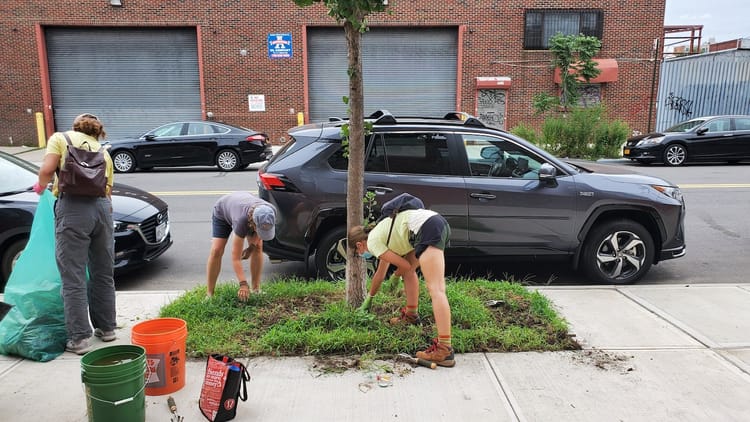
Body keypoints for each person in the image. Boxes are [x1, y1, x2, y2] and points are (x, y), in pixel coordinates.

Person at [34, 113, 117, 355]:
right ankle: (107, 328)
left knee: (73, 275)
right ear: (97, 132)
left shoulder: (60, 138)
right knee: (103, 272)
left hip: (73, 209)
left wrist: (40, 187)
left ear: (75, 127)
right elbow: (108, 192)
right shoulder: (104, 152)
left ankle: (80, 339)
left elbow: (47, 169)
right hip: (101, 210)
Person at [348, 207, 455, 367]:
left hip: (426, 228)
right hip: (434, 222)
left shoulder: (373, 243)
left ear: (359, 245)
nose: (362, 255)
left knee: (436, 289)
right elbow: (380, 274)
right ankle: (411, 315)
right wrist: (369, 299)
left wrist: (395, 276)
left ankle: (444, 350)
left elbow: (404, 265)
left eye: (358, 253)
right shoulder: (380, 234)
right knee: (411, 273)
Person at [206, 192, 276, 301]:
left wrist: (251, 247)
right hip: (223, 210)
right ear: (253, 223)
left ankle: (256, 289)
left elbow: (261, 232)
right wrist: (243, 284)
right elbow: (235, 258)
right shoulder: (241, 221)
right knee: (217, 250)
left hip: (243, 206)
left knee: (258, 247)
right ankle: (209, 294)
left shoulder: (270, 211)